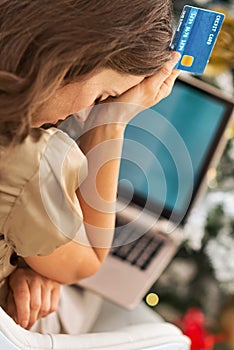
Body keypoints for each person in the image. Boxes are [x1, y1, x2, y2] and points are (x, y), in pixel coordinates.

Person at [0, 0, 180, 334]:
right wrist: (111, 122)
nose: (81, 114)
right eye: (101, 96)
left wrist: (29, 258)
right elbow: (88, 261)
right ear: (72, 59)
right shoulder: (28, 157)